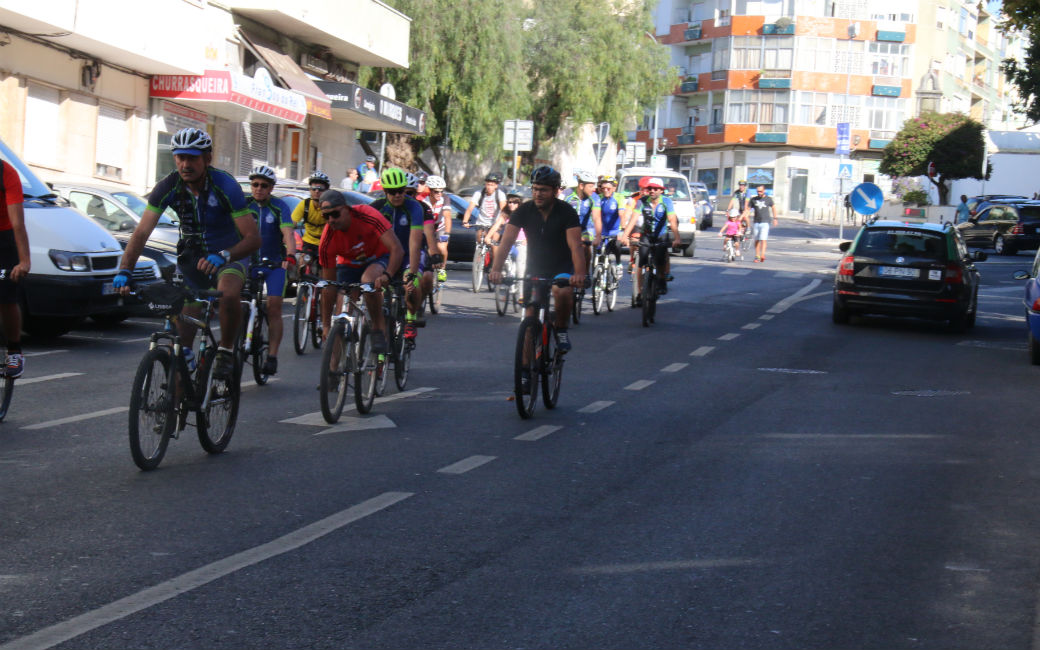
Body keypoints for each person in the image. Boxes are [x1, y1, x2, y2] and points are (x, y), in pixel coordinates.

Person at [114, 127, 261, 379]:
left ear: (207, 158)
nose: (185, 164)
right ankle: (175, 405)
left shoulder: (225, 185)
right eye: (180, 157)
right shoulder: (168, 186)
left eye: (192, 157)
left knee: (227, 294)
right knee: (180, 352)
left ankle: (225, 351)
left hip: (228, 255)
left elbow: (253, 238)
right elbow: (140, 234)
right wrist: (125, 269)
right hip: (191, 260)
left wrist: (224, 255)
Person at [489, 166, 585, 361]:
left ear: (556, 190)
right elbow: (506, 241)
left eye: (544, 190)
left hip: (561, 266)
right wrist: (496, 269)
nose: (538, 194)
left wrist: (580, 274)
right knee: (530, 318)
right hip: (535, 266)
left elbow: (575, 246)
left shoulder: (566, 212)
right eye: (535, 189)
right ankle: (524, 375)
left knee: (563, 292)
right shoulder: (524, 210)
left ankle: (561, 328)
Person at [317, 190, 403, 358]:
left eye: (335, 214)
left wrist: (388, 275)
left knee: (367, 281)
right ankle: (333, 373)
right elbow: (329, 286)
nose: (331, 220)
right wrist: (327, 324)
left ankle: (378, 328)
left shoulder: (367, 215)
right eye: (326, 217)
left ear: (347, 209)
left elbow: (396, 249)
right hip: (349, 265)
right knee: (341, 311)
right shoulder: (327, 238)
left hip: (378, 257)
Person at [370, 168, 435, 341]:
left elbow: (415, 243)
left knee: (411, 284)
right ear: (385, 191)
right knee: (375, 285)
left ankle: (411, 319)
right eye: (393, 192)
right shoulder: (377, 207)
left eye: (401, 190)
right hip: (385, 255)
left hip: (408, 253)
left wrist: (412, 273)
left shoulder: (414, 207)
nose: (398, 195)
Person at [246, 165, 296, 375]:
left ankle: (272, 355)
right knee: (237, 303)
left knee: (274, 306)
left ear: (271, 188)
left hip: (273, 264)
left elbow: (288, 234)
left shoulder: (279, 206)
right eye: (255, 184)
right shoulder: (244, 205)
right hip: (247, 262)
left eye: (264, 186)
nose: (259, 189)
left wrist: (291, 255)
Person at [620, 177, 681, 305]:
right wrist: (625, 235)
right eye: (650, 188)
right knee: (641, 263)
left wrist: (677, 237)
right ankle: (640, 293)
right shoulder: (641, 201)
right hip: (646, 235)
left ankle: (661, 280)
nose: (652, 191)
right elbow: (633, 219)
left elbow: (672, 219)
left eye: (655, 188)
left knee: (660, 261)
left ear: (661, 190)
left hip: (661, 236)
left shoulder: (666, 202)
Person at [0, 158, 30, 378]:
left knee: (6, 295)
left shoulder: (6, 173)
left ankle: (14, 351)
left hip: (4, 237)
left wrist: (24, 261)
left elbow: (18, 223)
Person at [291, 171, 332, 273]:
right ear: (310, 190)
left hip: (327, 244)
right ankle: (302, 284)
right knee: (302, 264)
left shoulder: (331, 206)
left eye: (320, 189)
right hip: (309, 242)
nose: (317, 191)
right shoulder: (304, 205)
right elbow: (291, 224)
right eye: (314, 188)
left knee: (326, 272)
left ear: (327, 190)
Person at [563, 170, 603, 275]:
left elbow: (596, 217)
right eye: (590, 186)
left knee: (584, 247)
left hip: (586, 228)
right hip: (567, 228)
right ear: (581, 185)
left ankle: (584, 274)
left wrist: (598, 236)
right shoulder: (566, 194)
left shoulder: (595, 197)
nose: (594, 189)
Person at [462, 172, 507, 243]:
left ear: (496, 186)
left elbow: (504, 211)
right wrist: (465, 221)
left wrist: (501, 223)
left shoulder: (500, 195)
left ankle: (494, 253)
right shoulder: (478, 194)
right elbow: (469, 209)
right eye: (488, 184)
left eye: (492, 185)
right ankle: (479, 253)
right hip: (481, 223)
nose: (489, 187)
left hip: (495, 223)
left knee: (493, 244)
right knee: (479, 242)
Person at [424, 175, 452, 282]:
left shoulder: (445, 199)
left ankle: (442, 269)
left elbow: (447, 216)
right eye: (436, 191)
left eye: (441, 191)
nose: (439, 194)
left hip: (441, 227)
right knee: (428, 250)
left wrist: (447, 234)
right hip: (428, 228)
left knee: (442, 248)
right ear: (430, 191)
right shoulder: (424, 201)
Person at [596, 175, 624, 278]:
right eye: (603, 188)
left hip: (615, 230)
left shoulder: (619, 197)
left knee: (616, 246)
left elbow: (622, 214)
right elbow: (594, 215)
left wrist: (622, 231)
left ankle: (618, 263)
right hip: (602, 231)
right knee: (599, 252)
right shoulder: (598, 198)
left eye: (608, 188)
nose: (605, 190)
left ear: (614, 188)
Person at [743, 185, 778, 263]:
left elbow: (773, 208)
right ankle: (757, 255)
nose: (759, 193)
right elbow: (748, 209)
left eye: (760, 191)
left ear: (764, 191)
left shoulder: (768, 199)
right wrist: (744, 216)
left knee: (763, 239)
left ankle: (762, 255)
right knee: (757, 240)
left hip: (765, 222)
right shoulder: (753, 199)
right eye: (758, 191)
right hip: (756, 222)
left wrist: (775, 218)